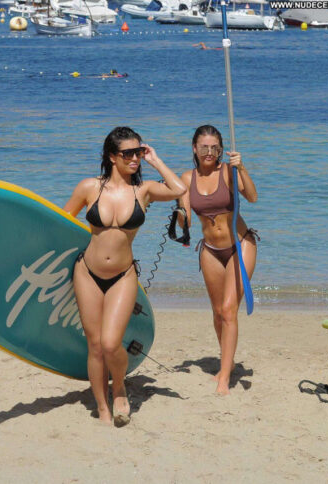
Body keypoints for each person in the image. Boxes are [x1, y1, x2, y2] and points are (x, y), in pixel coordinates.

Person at [64, 127, 186, 426]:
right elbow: (60, 222)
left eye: (138, 152)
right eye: (128, 153)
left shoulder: (144, 191)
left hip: (123, 275)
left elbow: (179, 190)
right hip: (87, 273)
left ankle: (118, 387)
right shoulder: (89, 187)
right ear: (111, 156)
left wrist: (155, 160)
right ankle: (102, 407)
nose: (135, 158)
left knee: (110, 343)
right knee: (95, 345)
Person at [179, 125, 258, 396]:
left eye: (215, 147)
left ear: (221, 150)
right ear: (195, 148)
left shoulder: (228, 171)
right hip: (210, 249)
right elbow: (186, 221)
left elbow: (252, 197)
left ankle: (224, 376)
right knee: (217, 312)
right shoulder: (187, 178)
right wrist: (179, 212)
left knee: (228, 310)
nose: (209, 152)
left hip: (240, 244)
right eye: (204, 147)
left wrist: (241, 168)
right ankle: (228, 360)